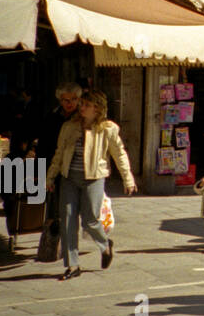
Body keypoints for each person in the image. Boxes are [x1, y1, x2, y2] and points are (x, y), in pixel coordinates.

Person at [47, 89, 137, 280]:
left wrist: (127, 178)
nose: (82, 108)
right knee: (68, 220)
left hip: (94, 178)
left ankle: (105, 245)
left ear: (97, 109)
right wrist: (50, 177)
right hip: (69, 178)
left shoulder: (107, 129)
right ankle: (73, 265)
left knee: (90, 220)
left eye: (87, 105)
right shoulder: (69, 126)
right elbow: (59, 153)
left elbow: (119, 154)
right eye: (82, 104)